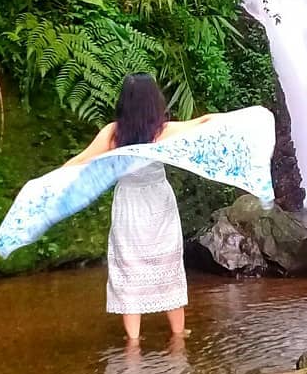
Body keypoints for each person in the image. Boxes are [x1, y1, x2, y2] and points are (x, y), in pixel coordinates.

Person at [63, 74, 217, 344]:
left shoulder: (113, 133)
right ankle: (178, 336)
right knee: (168, 266)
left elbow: (82, 159)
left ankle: (133, 341)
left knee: (129, 268)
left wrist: (52, 180)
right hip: (159, 204)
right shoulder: (162, 130)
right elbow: (200, 125)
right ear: (153, 102)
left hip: (128, 205)